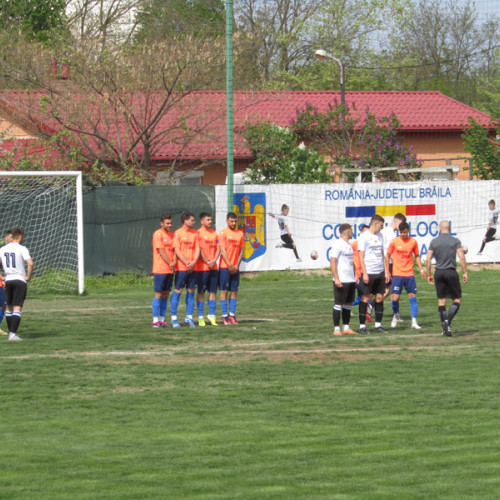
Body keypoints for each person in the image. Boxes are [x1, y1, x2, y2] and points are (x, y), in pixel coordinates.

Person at [426, 220, 468, 337]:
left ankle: (445, 329)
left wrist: (429, 274)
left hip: (439, 272)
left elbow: (428, 259)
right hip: (450, 272)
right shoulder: (455, 241)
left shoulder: (434, 241)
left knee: (441, 300)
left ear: (440, 229)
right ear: (450, 228)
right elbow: (461, 256)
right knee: (457, 299)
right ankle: (448, 322)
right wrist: (465, 272)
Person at [385, 221, 427, 330]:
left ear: (408, 231)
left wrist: (421, 270)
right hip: (397, 274)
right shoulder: (394, 242)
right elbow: (387, 256)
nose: (403, 234)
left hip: (409, 274)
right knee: (395, 299)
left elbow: (417, 256)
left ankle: (414, 322)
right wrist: (387, 271)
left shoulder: (413, 242)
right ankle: (396, 315)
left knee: (412, 297)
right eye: (401, 232)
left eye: (404, 232)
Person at [358, 214, 390, 334]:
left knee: (380, 297)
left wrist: (386, 271)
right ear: (375, 224)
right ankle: (362, 327)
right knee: (366, 297)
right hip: (369, 272)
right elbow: (361, 255)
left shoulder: (380, 235)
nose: (381, 228)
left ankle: (378, 325)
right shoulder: (364, 236)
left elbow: (382, 253)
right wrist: (364, 273)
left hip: (380, 272)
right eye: (381, 225)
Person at [1, 227, 34, 341]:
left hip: (8, 280)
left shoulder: (3, 249)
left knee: (9, 308)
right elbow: (30, 263)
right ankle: (13, 334)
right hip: (19, 280)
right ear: (20, 237)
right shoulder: (22, 248)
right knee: (17, 307)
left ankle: (11, 333)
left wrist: (2, 277)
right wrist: (28, 277)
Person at [170, 212, 200, 328]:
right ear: (185, 221)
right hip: (182, 268)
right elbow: (177, 250)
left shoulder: (195, 234)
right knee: (178, 291)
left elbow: (198, 249)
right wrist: (186, 262)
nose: (193, 222)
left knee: (191, 292)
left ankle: (189, 317)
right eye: (191, 220)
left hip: (193, 268)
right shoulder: (177, 233)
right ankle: (174, 318)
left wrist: (193, 262)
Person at [330, 223, 358, 335]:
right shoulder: (337, 244)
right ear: (347, 232)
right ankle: (336, 329)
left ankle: (346, 328)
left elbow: (351, 262)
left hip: (350, 279)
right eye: (351, 230)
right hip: (341, 279)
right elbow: (333, 262)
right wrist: (337, 279)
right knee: (339, 304)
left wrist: (355, 275)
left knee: (348, 303)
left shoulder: (349, 245)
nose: (352, 232)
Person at [219, 212, 245, 325]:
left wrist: (237, 265)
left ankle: (232, 315)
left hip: (235, 267)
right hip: (225, 267)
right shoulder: (223, 233)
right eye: (232, 221)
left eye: (235, 221)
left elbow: (242, 250)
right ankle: (225, 316)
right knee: (224, 291)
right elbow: (222, 250)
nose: (234, 223)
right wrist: (229, 264)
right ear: (227, 221)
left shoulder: (240, 234)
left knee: (234, 291)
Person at [195, 212, 220, 327]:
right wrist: (207, 261)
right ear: (202, 221)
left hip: (213, 267)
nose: (210, 222)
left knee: (213, 291)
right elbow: (198, 250)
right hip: (202, 268)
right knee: (201, 292)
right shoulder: (197, 234)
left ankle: (212, 315)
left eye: (211, 219)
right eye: (208, 220)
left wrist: (214, 260)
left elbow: (219, 248)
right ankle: (200, 317)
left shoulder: (214, 233)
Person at [151, 214, 175, 328]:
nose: (169, 225)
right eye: (167, 223)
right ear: (162, 223)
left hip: (169, 270)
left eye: (170, 223)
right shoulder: (158, 234)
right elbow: (161, 251)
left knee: (166, 294)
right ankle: (155, 320)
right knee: (158, 294)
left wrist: (173, 262)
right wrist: (170, 262)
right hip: (160, 269)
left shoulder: (172, 235)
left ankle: (162, 319)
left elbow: (175, 250)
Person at [381, 213, 407, 306]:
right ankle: (369, 305)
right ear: (396, 221)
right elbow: (389, 251)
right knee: (393, 291)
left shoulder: (387, 231)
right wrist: (398, 262)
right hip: (389, 264)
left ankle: (370, 305)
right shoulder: (390, 233)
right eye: (401, 223)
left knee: (388, 290)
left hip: (386, 263)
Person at [351, 223, 372, 322]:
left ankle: (347, 306)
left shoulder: (369, 244)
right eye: (364, 232)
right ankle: (367, 312)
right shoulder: (355, 244)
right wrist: (354, 273)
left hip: (366, 274)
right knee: (366, 295)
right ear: (360, 233)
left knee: (362, 296)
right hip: (358, 274)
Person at [0, 229, 13, 336]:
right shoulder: (2, 248)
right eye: (11, 237)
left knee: (3, 304)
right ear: (6, 237)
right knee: (3, 304)